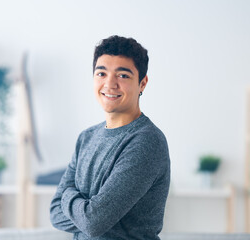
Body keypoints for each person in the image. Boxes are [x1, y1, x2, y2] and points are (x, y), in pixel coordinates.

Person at [50, 35, 170, 240]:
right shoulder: (86, 138)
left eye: (123, 75)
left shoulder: (146, 141)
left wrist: (68, 195)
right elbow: (54, 213)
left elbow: (93, 222)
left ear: (142, 83)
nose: (110, 84)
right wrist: (87, 210)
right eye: (102, 73)